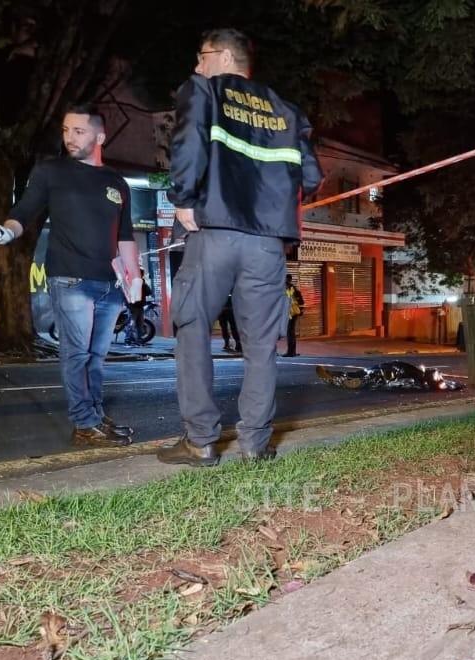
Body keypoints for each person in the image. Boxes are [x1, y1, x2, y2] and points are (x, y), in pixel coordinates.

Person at [157, 28, 322, 467]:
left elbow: (189, 141)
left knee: (192, 330)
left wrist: (183, 200)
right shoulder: (286, 111)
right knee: (261, 345)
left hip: (214, 231)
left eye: (202, 55)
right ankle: (254, 445)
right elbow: (309, 177)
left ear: (225, 57)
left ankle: (201, 441)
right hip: (267, 244)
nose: (197, 65)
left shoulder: (204, 90)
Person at [0, 103, 142, 448]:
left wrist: (135, 278)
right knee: (76, 354)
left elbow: (125, 235)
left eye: (78, 131)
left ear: (99, 136)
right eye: (66, 130)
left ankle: (95, 416)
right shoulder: (50, 172)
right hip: (70, 279)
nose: (70, 137)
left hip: (110, 284)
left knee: (97, 357)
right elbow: (23, 211)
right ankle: (84, 423)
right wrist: (8, 231)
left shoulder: (116, 182)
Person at [125, 267, 153, 346]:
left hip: (140, 306)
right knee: (131, 324)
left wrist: (144, 285)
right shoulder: (130, 282)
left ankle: (139, 341)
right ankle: (128, 341)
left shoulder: (142, 282)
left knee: (139, 325)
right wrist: (129, 305)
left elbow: (149, 292)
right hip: (133, 306)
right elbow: (126, 294)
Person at [282, 274, 304, 357]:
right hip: (289, 313)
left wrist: (301, 310)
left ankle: (291, 352)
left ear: (289, 280)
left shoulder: (292, 289)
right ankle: (292, 352)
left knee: (290, 332)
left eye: (287, 280)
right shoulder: (285, 288)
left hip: (293, 313)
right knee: (290, 333)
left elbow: (301, 301)